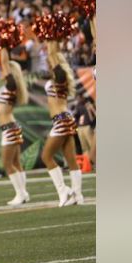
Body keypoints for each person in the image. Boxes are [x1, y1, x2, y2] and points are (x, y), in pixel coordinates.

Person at [41, 41, 84, 207]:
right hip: (66, 118)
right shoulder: (59, 78)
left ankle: (63, 191)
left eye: (50, 60)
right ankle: (77, 195)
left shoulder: (60, 77)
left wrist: (51, 38)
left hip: (61, 120)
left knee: (46, 156)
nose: (47, 61)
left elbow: (53, 56)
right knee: (71, 159)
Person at [0, 48, 31, 205]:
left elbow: (4, 61)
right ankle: (24, 193)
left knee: (7, 163)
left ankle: (20, 193)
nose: (1, 71)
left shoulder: (11, 85)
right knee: (16, 163)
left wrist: (2, 45)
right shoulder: (10, 86)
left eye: (3, 69)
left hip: (9, 128)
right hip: (11, 126)